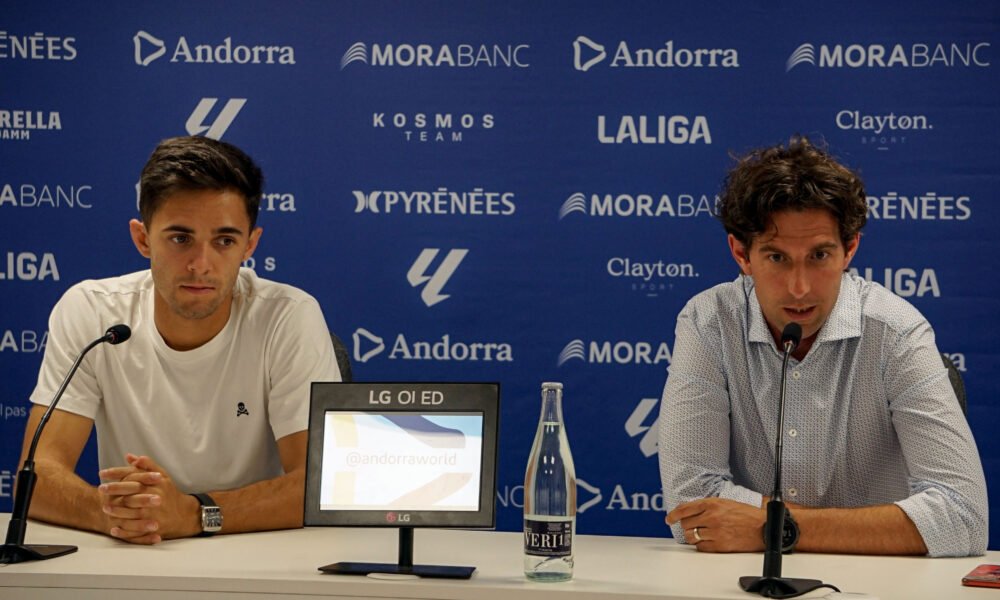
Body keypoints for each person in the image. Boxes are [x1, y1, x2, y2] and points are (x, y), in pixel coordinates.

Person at [659, 136, 988, 557]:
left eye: (819, 256)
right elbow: (692, 505)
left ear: (850, 249)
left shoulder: (896, 331)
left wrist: (776, 529)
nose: (799, 288)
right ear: (741, 254)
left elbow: (964, 517)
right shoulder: (709, 323)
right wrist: (862, 529)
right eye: (777, 258)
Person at [21, 136, 340, 544]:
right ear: (142, 239)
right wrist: (117, 516)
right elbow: (38, 476)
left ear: (250, 244)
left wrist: (193, 514)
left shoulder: (288, 316)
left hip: (260, 551)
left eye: (224, 241)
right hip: (136, 553)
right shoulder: (91, 312)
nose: (200, 265)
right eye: (180, 238)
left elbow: (319, 487)